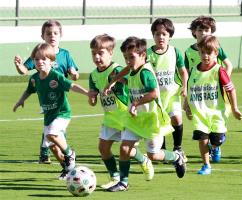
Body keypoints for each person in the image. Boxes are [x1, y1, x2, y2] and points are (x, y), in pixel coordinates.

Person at [106, 37, 186, 192]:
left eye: (132, 57)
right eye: (126, 58)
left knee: (153, 155)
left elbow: (155, 93)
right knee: (124, 149)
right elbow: (126, 70)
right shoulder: (133, 68)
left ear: (143, 55)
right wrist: (113, 81)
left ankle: (177, 157)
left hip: (151, 120)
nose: (128, 61)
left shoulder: (145, 73)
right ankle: (123, 183)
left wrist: (136, 103)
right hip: (135, 119)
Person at [13, 43, 89, 179]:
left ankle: (70, 153)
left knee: (52, 134)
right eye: (37, 59)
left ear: (51, 61)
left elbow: (72, 85)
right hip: (49, 116)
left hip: (62, 113)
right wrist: (20, 100)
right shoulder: (34, 79)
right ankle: (67, 169)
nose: (40, 62)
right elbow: (29, 90)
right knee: (53, 147)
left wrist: (86, 93)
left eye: (44, 59)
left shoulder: (56, 76)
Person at [88, 34, 154, 190]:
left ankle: (143, 160)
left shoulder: (117, 69)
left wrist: (117, 80)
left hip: (125, 114)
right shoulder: (93, 75)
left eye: (101, 53)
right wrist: (92, 97)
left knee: (126, 149)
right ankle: (114, 177)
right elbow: (92, 99)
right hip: (110, 116)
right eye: (93, 54)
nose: (97, 57)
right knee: (103, 148)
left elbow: (129, 76)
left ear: (111, 53)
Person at [14, 20, 79, 164]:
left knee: (55, 128)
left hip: (60, 97)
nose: (52, 36)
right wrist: (19, 66)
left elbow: (74, 73)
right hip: (46, 95)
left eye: (55, 33)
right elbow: (24, 70)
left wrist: (74, 74)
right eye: (48, 33)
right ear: (43, 36)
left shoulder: (65, 54)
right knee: (50, 125)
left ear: (60, 35)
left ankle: (62, 154)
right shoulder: (40, 53)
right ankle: (48, 154)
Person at [184, 35, 242, 175]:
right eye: (202, 52)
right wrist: (186, 106)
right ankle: (206, 165)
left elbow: (231, 89)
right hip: (199, 113)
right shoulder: (193, 71)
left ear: (216, 53)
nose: (205, 56)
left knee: (217, 139)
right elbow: (189, 89)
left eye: (209, 53)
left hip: (217, 112)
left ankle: (215, 146)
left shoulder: (219, 71)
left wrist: (234, 108)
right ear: (198, 52)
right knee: (202, 139)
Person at [184, 16, 233, 162]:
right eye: (201, 30)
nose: (204, 33)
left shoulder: (216, 47)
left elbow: (228, 65)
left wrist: (223, 81)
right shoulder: (188, 52)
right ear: (194, 32)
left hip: (214, 94)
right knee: (202, 126)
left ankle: (216, 145)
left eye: (207, 30)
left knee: (217, 127)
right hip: (199, 95)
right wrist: (186, 98)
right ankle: (207, 156)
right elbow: (187, 74)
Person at [147, 18, 188, 156]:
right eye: (157, 34)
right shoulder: (147, 54)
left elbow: (183, 71)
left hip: (172, 94)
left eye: (164, 34)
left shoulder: (175, 52)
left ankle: (178, 147)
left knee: (176, 118)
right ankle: (162, 149)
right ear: (153, 35)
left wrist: (185, 86)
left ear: (170, 36)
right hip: (155, 97)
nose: (161, 37)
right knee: (160, 123)